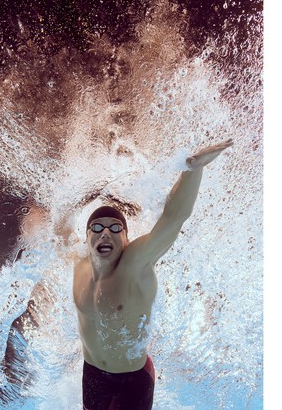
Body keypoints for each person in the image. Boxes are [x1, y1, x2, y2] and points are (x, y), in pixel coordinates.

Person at [73, 139, 234, 409]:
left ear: (126, 239)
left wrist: (192, 171)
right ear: (87, 237)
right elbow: (53, 234)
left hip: (133, 380)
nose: (105, 233)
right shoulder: (79, 266)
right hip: (92, 375)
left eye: (115, 228)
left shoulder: (134, 264)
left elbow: (173, 219)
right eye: (98, 227)